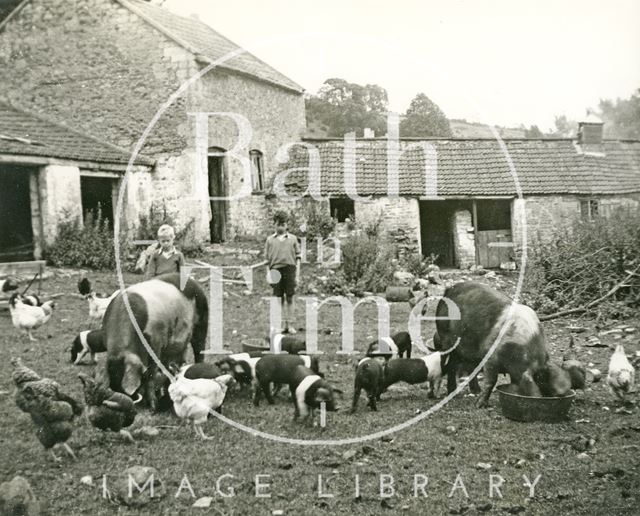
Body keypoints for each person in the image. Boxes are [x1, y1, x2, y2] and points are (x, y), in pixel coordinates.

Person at [264, 211, 301, 334]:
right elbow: (266, 260)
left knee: (290, 297)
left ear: (287, 225)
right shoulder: (270, 240)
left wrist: (297, 274)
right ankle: (279, 325)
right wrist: (268, 273)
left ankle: (289, 325)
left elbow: (298, 258)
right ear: (274, 225)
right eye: (278, 224)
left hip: (290, 269)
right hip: (275, 270)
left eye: (283, 224)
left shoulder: (293, 239)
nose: (280, 227)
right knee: (278, 299)